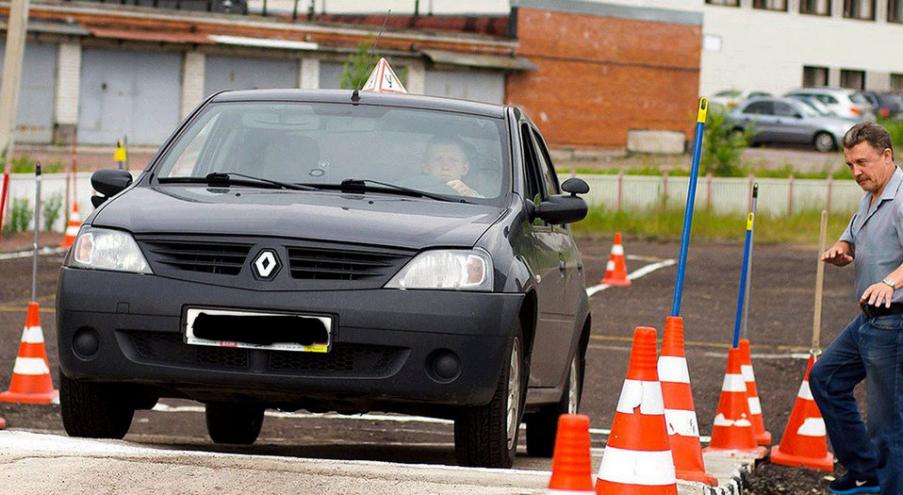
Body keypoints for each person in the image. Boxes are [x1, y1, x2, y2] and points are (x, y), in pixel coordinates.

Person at [810, 122, 901, 495]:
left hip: (894, 322)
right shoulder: (871, 194)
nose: (856, 172)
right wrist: (842, 249)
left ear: (887, 156)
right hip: (867, 319)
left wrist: (890, 282)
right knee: (826, 379)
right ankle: (865, 471)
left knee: (887, 423)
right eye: (850, 165)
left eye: (861, 162)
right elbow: (854, 235)